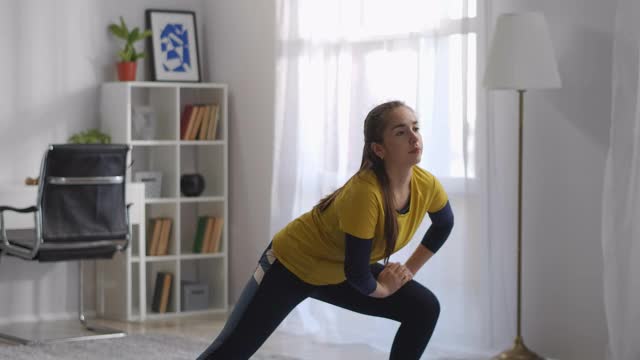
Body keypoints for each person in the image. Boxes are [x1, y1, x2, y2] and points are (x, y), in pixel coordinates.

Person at [197, 100, 454, 360]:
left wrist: (407, 272)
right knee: (230, 351)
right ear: (379, 149)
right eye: (401, 132)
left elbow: (444, 224)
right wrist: (385, 289)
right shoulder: (365, 193)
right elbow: (357, 273)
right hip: (291, 267)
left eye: (415, 128)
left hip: (339, 272)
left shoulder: (425, 184)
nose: (414, 137)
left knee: (423, 308)